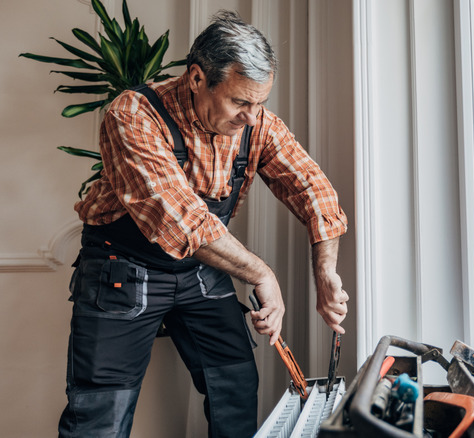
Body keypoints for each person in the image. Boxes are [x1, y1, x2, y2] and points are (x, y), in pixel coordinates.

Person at [57, 10, 348, 438]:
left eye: (259, 103)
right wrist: (262, 273)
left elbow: (315, 192)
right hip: (123, 273)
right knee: (100, 414)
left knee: (235, 387)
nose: (251, 117)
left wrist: (325, 273)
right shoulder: (134, 115)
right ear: (197, 78)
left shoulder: (257, 124)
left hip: (200, 273)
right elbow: (180, 219)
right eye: (239, 102)